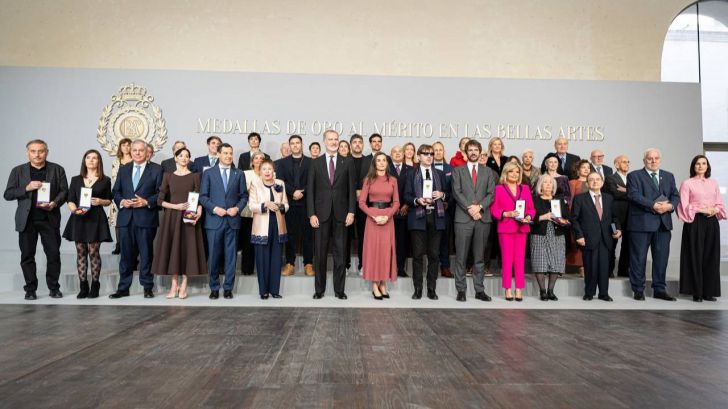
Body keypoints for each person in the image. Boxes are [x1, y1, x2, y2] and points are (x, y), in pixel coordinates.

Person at [4, 139, 68, 300]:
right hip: (27, 221)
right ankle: (30, 289)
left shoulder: (57, 169)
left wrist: (54, 203)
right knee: (27, 256)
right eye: (33, 151)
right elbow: (8, 194)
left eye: (41, 151)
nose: (37, 154)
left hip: (49, 218)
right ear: (28, 153)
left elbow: (64, 191)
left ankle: (54, 288)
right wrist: (27, 188)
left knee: (53, 255)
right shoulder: (18, 171)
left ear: (47, 152)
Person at [109, 139, 163, 299]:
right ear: (130, 152)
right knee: (125, 255)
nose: (138, 153)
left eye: (141, 150)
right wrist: (121, 201)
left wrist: (147, 202)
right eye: (135, 150)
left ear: (147, 152)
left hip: (146, 218)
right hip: (126, 218)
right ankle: (123, 288)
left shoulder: (157, 169)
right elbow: (116, 191)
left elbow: (161, 193)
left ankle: (147, 287)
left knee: (146, 254)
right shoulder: (124, 169)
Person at [307, 130, 357, 300]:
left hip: (342, 215)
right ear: (324, 141)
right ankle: (319, 290)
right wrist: (311, 214)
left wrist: (351, 211)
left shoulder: (347, 162)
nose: (334, 142)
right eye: (330, 139)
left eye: (336, 139)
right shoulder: (315, 163)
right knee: (320, 255)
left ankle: (339, 290)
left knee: (341, 254)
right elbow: (310, 191)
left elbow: (351, 189)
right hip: (320, 215)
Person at [152, 147, 207, 299]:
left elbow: (199, 197)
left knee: (187, 250)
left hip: (189, 217)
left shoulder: (195, 176)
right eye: (181, 155)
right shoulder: (168, 176)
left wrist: (199, 211)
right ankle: (174, 284)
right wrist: (175, 206)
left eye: (187, 156)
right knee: (173, 250)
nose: (184, 158)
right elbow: (159, 200)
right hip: (172, 218)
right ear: (175, 158)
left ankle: (184, 285)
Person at [627, 148, 680, 301]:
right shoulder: (634, 176)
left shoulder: (668, 176)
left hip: (663, 225)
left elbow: (675, 195)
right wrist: (653, 205)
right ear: (644, 160)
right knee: (638, 258)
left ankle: (659, 289)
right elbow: (633, 195)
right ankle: (638, 289)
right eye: (650, 158)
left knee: (661, 259)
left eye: (656, 158)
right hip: (641, 224)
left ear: (660, 159)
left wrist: (670, 206)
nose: (653, 161)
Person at [199, 143, 248, 300]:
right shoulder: (208, 173)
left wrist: (237, 209)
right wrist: (214, 209)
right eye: (225, 153)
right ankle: (214, 287)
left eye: (230, 153)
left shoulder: (239, 173)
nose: (228, 156)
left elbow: (244, 197)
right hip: (214, 221)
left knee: (231, 256)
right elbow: (203, 197)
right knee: (213, 256)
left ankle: (228, 288)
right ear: (218, 154)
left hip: (232, 221)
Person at [62, 149, 112, 299]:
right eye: (88, 158)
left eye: (94, 158)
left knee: (93, 252)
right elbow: (70, 199)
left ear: (99, 162)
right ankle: (83, 286)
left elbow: (109, 200)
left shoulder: (105, 179)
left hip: (96, 218)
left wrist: (100, 201)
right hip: (79, 218)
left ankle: (95, 285)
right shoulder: (76, 179)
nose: (91, 160)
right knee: (81, 252)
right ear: (84, 161)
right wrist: (74, 210)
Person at [451, 140, 496, 302]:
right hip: (463, 218)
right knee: (461, 257)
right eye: (470, 150)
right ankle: (461, 290)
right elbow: (456, 192)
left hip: (482, 219)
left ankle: (479, 290)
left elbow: (491, 194)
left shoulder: (488, 172)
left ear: (480, 152)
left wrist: (480, 208)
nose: (473, 152)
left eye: (476, 150)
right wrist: (470, 208)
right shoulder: (458, 171)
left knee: (479, 257)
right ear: (465, 152)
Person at [677, 155, 726, 302]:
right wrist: (701, 209)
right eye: (698, 163)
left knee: (711, 256)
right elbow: (684, 205)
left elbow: (719, 203)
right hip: (695, 221)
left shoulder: (714, 183)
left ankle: (709, 291)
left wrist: (714, 210)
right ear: (693, 166)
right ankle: (696, 292)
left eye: (704, 163)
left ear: (707, 166)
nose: (701, 166)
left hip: (711, 222)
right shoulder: (687, 183)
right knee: (695, 255)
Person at [403, 144, 448, 300]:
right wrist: (417, 200)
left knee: (434, 255)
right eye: (425, 154)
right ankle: (417, 289)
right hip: (418, 217)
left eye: (431, 154)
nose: (429, 156)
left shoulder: (440, 174)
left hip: (436, 217)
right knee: (417, 255)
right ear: (418, 156)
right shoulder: (410, 174)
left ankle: (431, 289)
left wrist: (442, 194)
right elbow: (406, 196)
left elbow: (450, 195)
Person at [571, 172, 622, 301]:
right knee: (590, 266)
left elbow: (614, 217)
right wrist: (579, 235)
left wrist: (617, 230)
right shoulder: (580, 198)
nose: (595, 182)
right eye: (591, 180)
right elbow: (575, 219)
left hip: (606, 238)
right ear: (587, 184)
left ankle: (604, 293)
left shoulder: (608, 198)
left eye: (598, 179)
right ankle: (589, 292)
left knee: (605, 267)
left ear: (602, 182)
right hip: (588, 238)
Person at [491, 162, 535, 301]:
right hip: (506, 228)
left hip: (522, 228)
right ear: (506, 173)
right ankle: (508, 289)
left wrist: (529, 216)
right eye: (511, 172)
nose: (514, 174)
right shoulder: (499, 189)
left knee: (519, 260)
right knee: (507, 260)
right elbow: (494, 209)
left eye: (517, 172)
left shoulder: (525, 188)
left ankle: (519, 289)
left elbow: (531, 209)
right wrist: (506, 213)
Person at [359, 152, 400, 300]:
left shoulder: (393, 180)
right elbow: (362, 202)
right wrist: (374, 215)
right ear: (375, 163)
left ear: (387, 163)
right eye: (379, 160)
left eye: (384, 160)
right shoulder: (368, 180)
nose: (382, 163)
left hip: (388, 219)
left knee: (385, 251)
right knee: (373, 252)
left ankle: (383, 283)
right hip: (373, 219)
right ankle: (374, 285)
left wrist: (387, 216)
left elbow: (396, 203)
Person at [275, 135, 314, 277]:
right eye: (293, 143)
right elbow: (280, 182)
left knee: (308, 235)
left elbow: (313, 181)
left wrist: (302, 192)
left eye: (298, 143)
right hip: (289, 203)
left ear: (302, 145)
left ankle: (308, 263)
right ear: (289, 146)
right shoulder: (282, 163)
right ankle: (290, 263)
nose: (295, 145)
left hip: (306, 203)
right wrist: (293, 192)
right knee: (289, 234)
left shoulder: (311, 162)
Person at [250, 159, 289, 299]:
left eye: (269, 169)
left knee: (276, 259)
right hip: (261, 226)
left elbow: (286, 204)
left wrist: (279, 206)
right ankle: (263, 291)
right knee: (262, 259)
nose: (267, 171)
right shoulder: (255, 184)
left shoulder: (280, 184)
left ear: (274, 171)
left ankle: (275, 290)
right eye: (264, 169)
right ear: (260, 171)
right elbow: (252, 206)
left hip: (278, 225)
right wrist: (265, 204)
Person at [530, 174, 569, 301]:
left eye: (550, 183)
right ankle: (542, 291)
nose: (548, 185)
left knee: (556, 261)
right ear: (540, 185)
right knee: (539, 261)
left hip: (557, 233)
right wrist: (543, 217)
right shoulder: (534, 199)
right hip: (540, 233)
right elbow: (529, 217)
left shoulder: (559, 200)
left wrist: (563, 221)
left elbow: (567, 217)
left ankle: (551, 291)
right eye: (545, 182)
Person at [239, 151, 266, 275]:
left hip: (264, 214)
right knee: (247, 242)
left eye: (261, 158)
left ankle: (262, 269)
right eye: (256, 158)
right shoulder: (245, 174)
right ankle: (247, 269)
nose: (259, 160)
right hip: (248, 213)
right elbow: (240, 191)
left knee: (262, 242)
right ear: (252, 161)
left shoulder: (269, 173)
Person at [605, 155, 631, 277]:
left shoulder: (632, 179)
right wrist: (631, 192)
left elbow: (638, 194)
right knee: (612, 243)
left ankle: (623, 270)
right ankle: (609, 270)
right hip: (615, 218)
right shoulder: (610, 178)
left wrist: (625, 190)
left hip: (630, 217)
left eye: (628, 162)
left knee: (628, 245)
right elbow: (615, 193)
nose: (627, 164)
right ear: (616, 164)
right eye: (624, 162)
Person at [432, 141, 454, 278]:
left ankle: (445, 266)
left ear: (444, 152)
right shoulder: (426, 167)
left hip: (445, 210)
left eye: (441, 149)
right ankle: (432, 267)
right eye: (436, 150)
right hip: (429, 209)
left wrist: (448, 202)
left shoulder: (452, 169)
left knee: (445, 239)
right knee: (432, 240)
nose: (438, 152)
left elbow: (455, 190)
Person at [389, 146, 412, 278]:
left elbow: (414, 189)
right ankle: (388, 267)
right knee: (389, 242)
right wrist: (392, 205)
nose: (397, 154)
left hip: (405, 211)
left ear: (403, 154)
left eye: (400, 152)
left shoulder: (411, 170)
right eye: (395, 152)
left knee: (402, 242)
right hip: (389, 212)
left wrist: (407, 205)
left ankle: (400, 268)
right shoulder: (385, 168)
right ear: (391, 154)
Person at [567, 159, 591, 276]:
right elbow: (570, 201)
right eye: (583, 167)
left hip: (591, 218)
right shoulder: (573, 183)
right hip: (577, 217)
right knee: (576, 242)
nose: (586, 169)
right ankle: (581, 266)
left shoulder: (594, 182)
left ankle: (588, 265)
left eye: (588, 167)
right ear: (578, 170)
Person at [109, 137, 132, 255]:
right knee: (117, 221)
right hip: (119, 193)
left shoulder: (135, 160)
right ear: (120, 147)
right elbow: (114, 177)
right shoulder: (116, 161)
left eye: (128, 145)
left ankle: (128, 245)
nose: (126, 147)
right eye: (123, 145)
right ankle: (118, 244)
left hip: (130, 193)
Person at [349, 134, 366, 272]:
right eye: (355, 142)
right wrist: (353, 191)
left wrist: (362, 192)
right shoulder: (344, 160)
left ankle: (362, 264)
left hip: (364, 204)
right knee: (345, 235)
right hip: (346, 203)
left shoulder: (369, 161)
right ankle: (346, 264)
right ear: (350, 145)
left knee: (363, 235)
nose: (357, 144)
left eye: (360, 142)